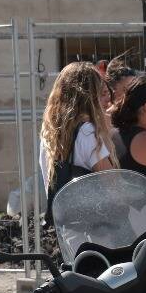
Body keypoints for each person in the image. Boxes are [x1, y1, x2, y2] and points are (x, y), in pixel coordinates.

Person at [39, 61, 116, 207]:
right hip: (92, 223)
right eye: (101, 93)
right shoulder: (87, 132)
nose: (107, 100)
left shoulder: (50, 131)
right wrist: (107, 132)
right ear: (89, 96)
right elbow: (112, 183)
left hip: (64, 220)